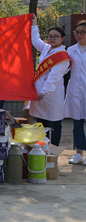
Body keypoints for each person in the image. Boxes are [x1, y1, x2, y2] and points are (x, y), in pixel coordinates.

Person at [28, 16, 69, 147]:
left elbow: (54, 76)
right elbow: (35, 40)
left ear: (62, 38)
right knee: (41, 122)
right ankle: (42, 148)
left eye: (56, 36)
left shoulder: (62, 56)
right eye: (50, 36)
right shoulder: (46, 48)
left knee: (54, 123)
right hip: (40, 90)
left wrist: (44, 92)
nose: (52, 38)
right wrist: (34, 24)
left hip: (52, 93)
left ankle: (54, 150)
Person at [64, 20, 86, 164]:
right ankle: (79, 153)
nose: (79, 35)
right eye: (77, 32)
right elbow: (64, 69)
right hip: (75, 91)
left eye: (83, 32)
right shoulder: (70, 50)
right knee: (77, 123)